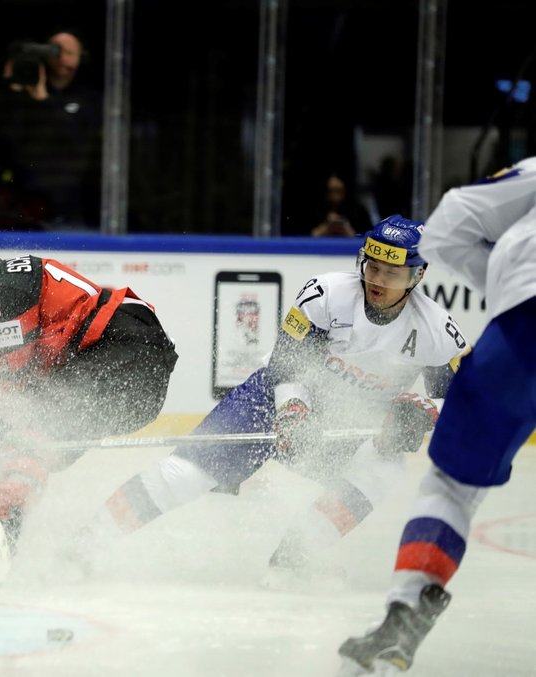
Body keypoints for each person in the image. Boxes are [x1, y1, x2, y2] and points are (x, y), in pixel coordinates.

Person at [78, 215, 470, 585]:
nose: (378, 280)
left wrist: (423, 413)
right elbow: (287, 366)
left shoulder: (437, 331)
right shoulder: (326, 295)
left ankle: (292, 559)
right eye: (373, 267)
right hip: (271, 402)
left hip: (348, 424)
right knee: (184, 475)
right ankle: (84, 546)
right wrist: (294, 413)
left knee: (384, 469)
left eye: (393, 273)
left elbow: (459, 401)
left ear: (418, 275)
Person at [0, 208, 179, 573]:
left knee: (31, 433)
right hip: (123, 359)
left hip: (128, 355)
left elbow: (12, 394)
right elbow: (4, 386)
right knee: (18, 434)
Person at [338, 160, 536, 674]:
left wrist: (508, 287)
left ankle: (405, 611)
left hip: (526, 328)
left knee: (451, 487)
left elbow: (450, 225)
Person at [0, 30, 103, 229]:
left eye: (69, 52)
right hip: (20, 206)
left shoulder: (89, 99)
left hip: (69, 207)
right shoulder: (22, 96)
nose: (61, 58)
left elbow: (75, 140)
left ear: (81, 58)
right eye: (55, 51)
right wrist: (11, 87)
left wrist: (42, 99)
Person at [310, 172, 375, 237]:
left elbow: (368, 238)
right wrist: (326, 226)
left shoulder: (359, 211)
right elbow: (308, 237)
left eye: (339, 191)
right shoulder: (315, 211)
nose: (335, 197)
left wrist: (347, 229)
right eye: (331, 191)